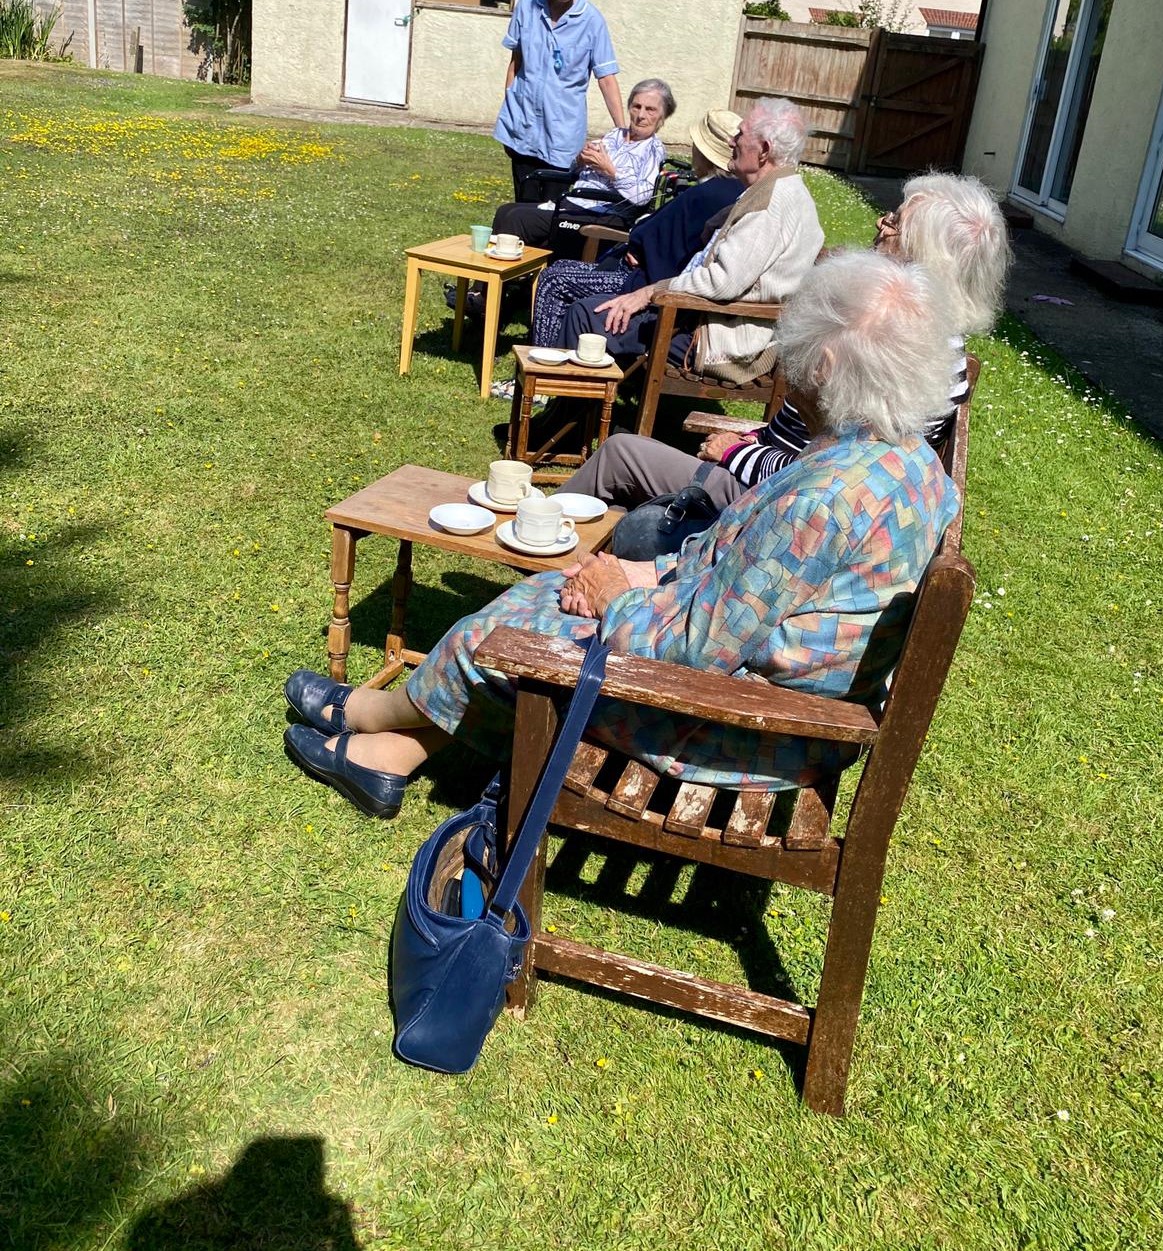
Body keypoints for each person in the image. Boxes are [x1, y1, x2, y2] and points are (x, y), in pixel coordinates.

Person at [282, 252, 961, 818]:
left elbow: (694, 651)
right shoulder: (905, 462)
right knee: (547, 593)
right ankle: (389, 753)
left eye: (798, 342)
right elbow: (742, 578)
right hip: (775, 704)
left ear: (827, 366)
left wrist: (615, 597)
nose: (786, 359)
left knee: (499, 640)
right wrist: (642, 573)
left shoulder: (822, 501)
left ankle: (373, 715)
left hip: (738, 730)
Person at [560, 172, 1012, 512]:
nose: (880, 222)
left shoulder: (881, 344)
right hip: (776, 478)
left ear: (923, 254)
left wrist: (736, 451)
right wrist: (756, 440)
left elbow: (825, 469)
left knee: (619, 453)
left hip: (769, 500)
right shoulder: (934, 343)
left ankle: (535, 546)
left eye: (894, 222)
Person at [556, 96, 823, 377]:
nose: (731, 141)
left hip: (722, 343)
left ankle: (565, 403)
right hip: (719, 324)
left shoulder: (768, 206)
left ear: (764, 150)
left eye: (740, 135)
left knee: (586, 314)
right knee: (603, 310)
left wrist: (649, 292)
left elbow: (721, 283)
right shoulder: (787, 190)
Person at [528, 107, 744, 350]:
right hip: (649, 274)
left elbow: (653, 236)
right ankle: (557, 355)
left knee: (553, 281)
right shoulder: (729, 190)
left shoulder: (708, 194)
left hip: (641, 283)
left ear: (703, 152)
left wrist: (639, 246)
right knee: (561, 267)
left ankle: (543, 365)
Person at [490, 77, 673, 255]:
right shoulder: (614, 135)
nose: (641, 115)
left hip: (603, 214)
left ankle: (505, 273)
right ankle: (498, 274)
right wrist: (580, 159)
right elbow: (575, 171)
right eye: (636, 106)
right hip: (575, 204)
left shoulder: (653, 149)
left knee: (517, 219)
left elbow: (642, 197)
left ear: (662, 117)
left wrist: (610, 171)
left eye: (650, 110)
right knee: (506, 211)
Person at [493, 0, 624, 203]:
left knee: (551, 211)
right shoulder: (527, 8)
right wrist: (510, 118)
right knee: (523, 208)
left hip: (561, 137)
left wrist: (623, 133)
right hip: (524, 126)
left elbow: (606, 79)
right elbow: (516, 63)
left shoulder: (591, 20)